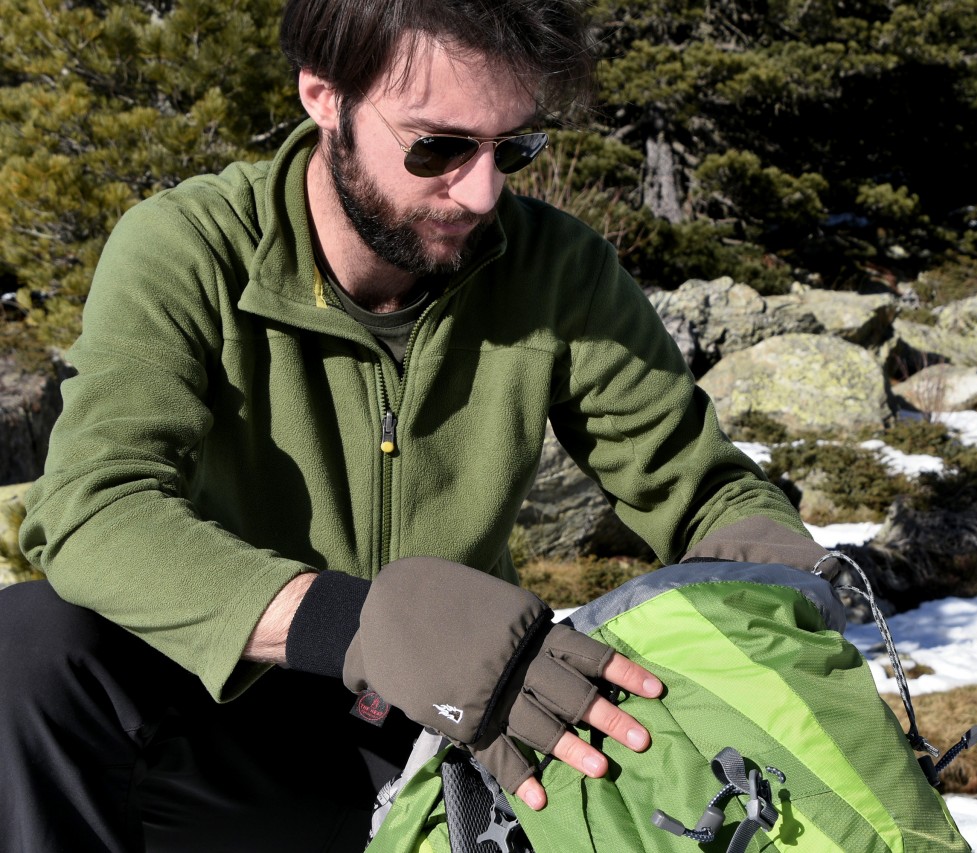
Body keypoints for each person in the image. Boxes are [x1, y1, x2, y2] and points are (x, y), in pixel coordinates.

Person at [0, 1, 829, 850]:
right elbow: (92, 507)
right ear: (324, 96)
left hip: (467, 740)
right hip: (237, 733)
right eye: (437, 146)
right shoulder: (191, 249)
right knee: (31, 650)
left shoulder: (556, 270)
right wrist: (362, 624)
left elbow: (704, 488)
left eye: (514, 147)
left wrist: (798, 622)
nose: (482, 191)